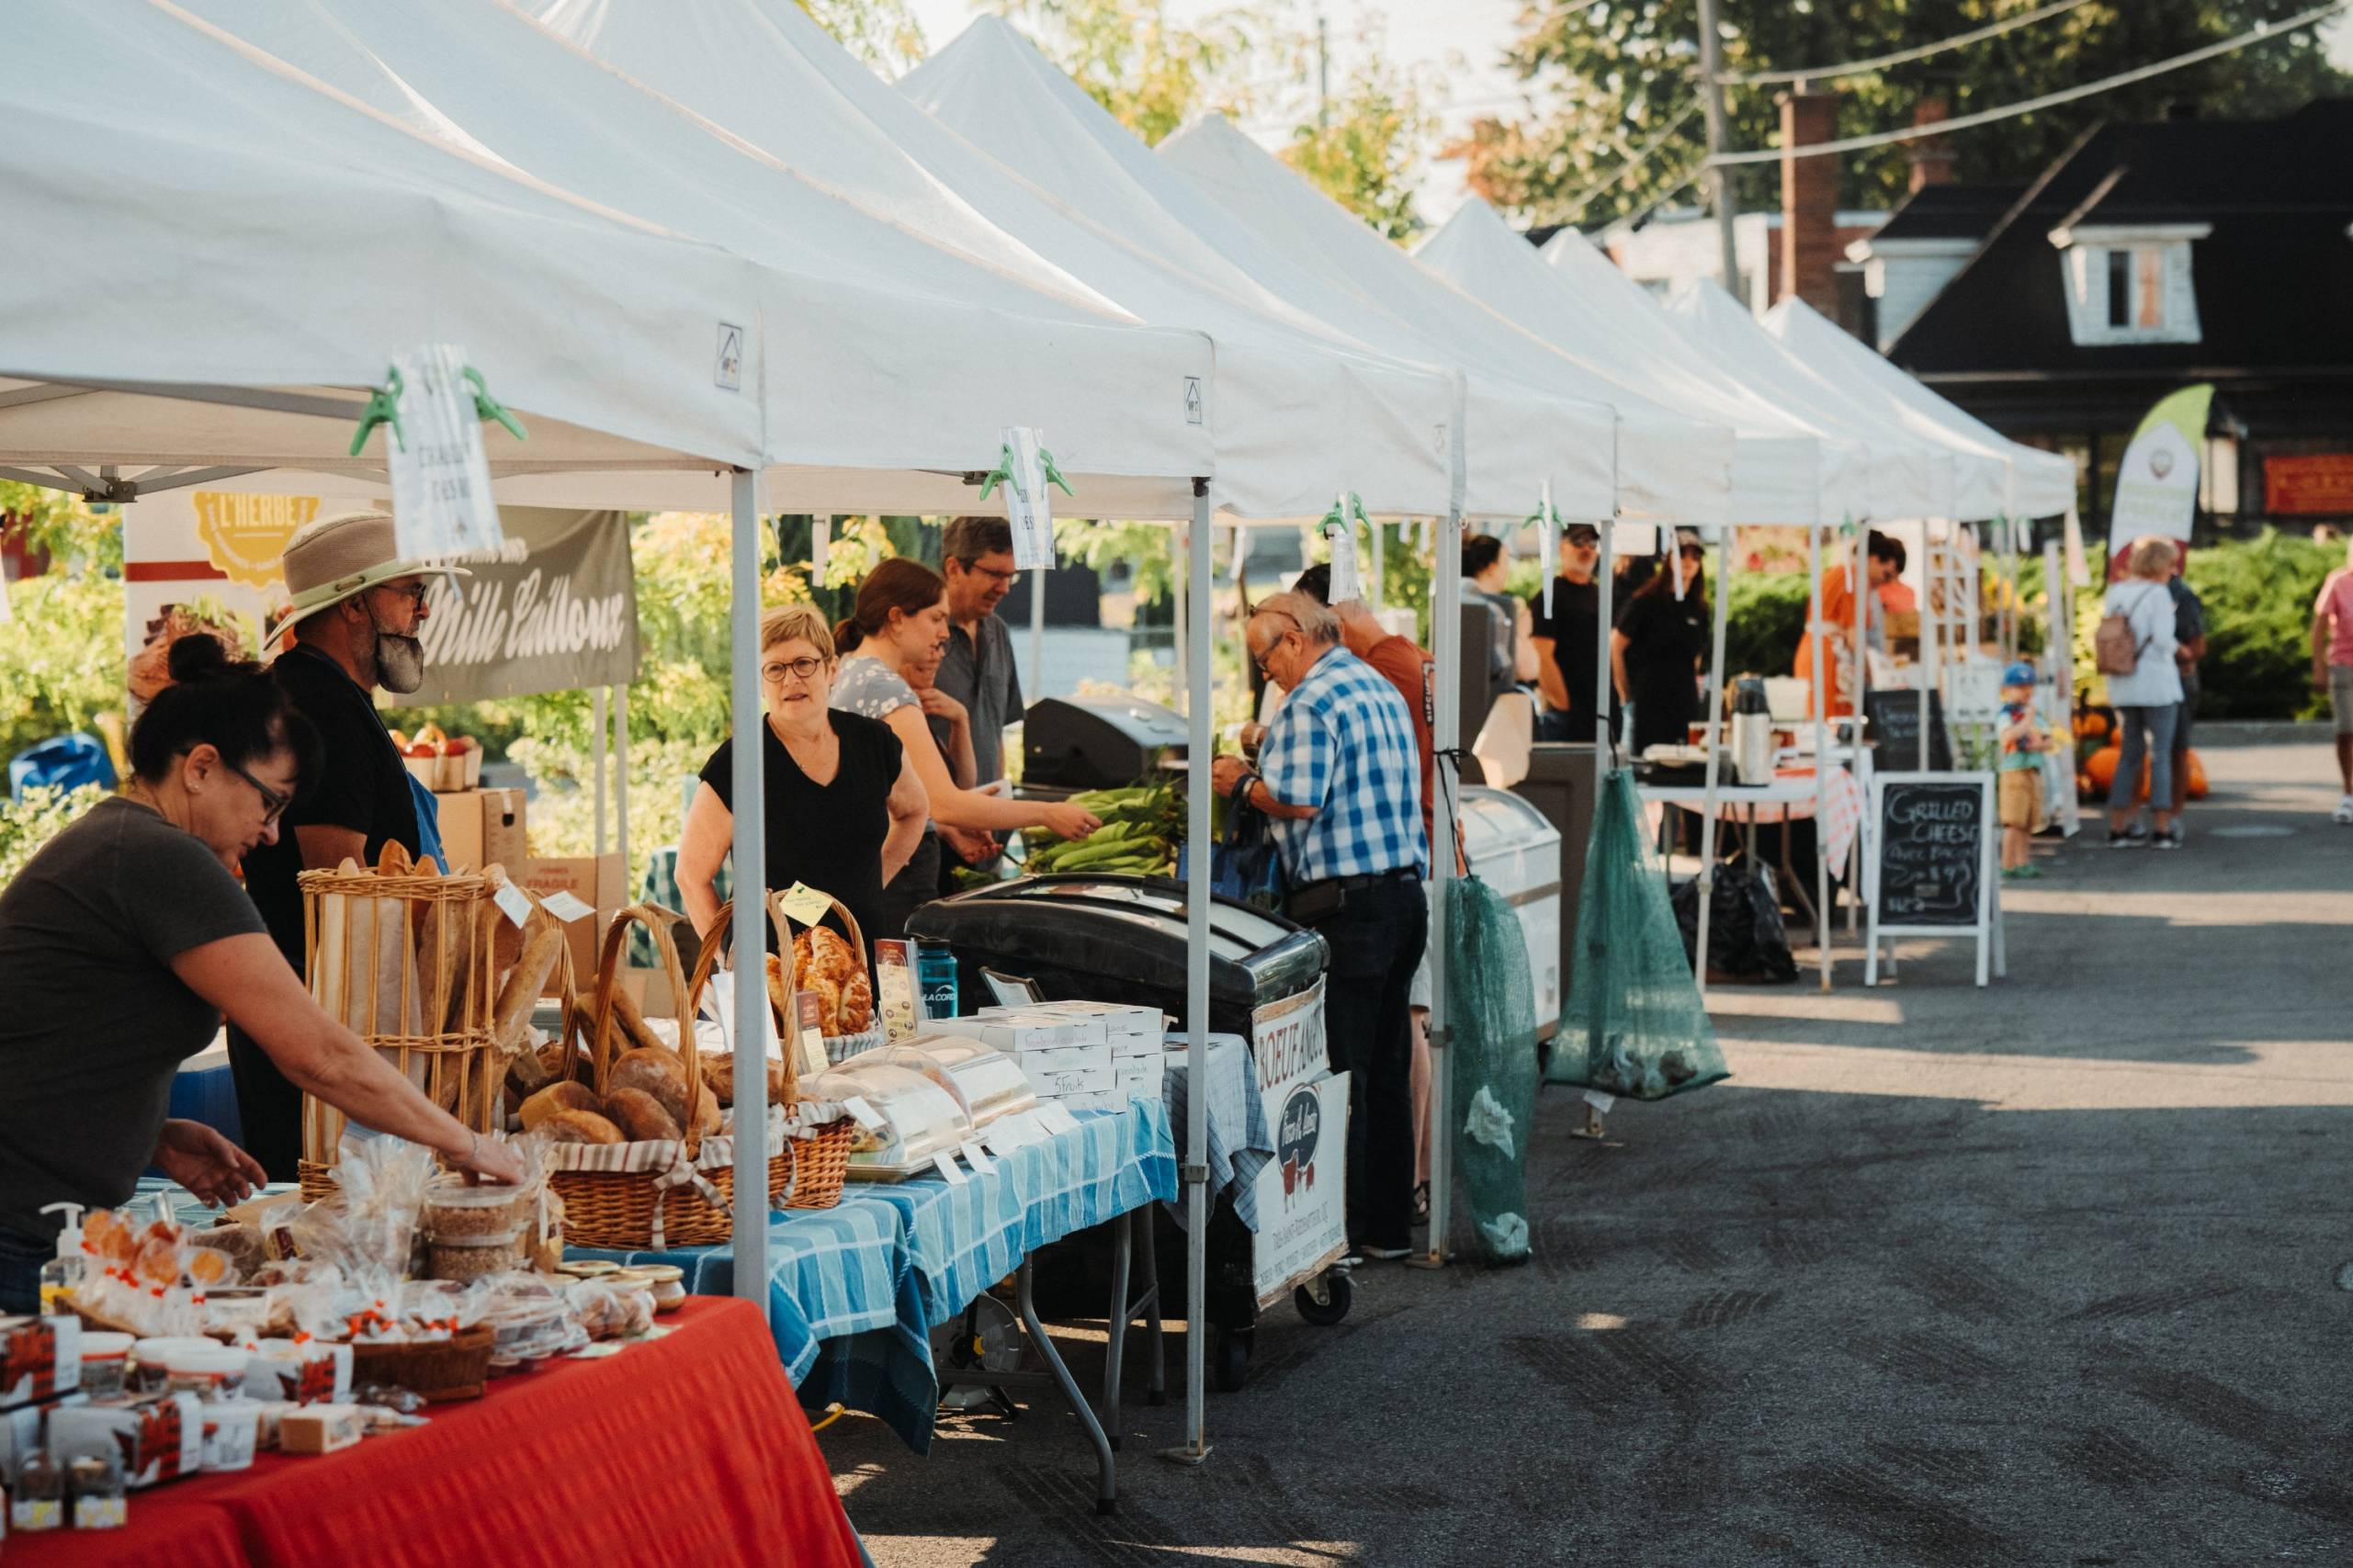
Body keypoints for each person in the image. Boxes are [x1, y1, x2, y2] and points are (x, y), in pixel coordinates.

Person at [0, 637, 523, 1313]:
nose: (273, 832)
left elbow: (60, 1036)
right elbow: (321, 1055)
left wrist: (152, 1134)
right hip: (18, 1231)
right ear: (201, 768)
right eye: (270, 803)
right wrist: (467, 1145)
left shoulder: (121, 841)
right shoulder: (165, 859)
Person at [235, 511, 463, 1182]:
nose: (423, 610)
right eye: (411, 591)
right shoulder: (320, 705)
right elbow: (341, 888)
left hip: (320, 1023)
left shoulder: (320, 692)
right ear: (355, 603)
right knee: (330, 1217)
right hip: (325, 1029)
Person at [1210, 592, 1427, 1261]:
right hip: (1402, 898)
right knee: (1386, 1068)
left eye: (1264, 657)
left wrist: (1239, 783)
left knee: (1340, 1072)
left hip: (1349, 908)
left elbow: (1299, 799)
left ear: (1295, 638)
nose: (1265, 672)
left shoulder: (1309, 701)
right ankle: (1388, 1227)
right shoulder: (1373, 684)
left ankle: (1344, 1230)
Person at [1289, 564, 1452, 1221]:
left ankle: (1383, 1200)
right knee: (1399, 1038)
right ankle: (1404, 1195)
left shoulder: (1380, 670)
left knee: (1381, 1047)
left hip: (1388, 873)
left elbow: (1325, 783)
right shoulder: (1412, 660)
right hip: (1416, 863)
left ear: (1328, 613)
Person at [831, 559, 1102, 934]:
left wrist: (942, 825)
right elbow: (944, 801)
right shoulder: (884, 688)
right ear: (896, 618)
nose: (944, 633)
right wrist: (1047, 813)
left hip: (871, 872)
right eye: (936, 618)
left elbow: (898, 799)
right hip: (895, 882)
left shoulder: (850, 670)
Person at [679, 604, 928, 959]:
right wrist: (733, 964)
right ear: (760, 682)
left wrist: (872, 885)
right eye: (775, 669)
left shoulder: (874, 743)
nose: (790, 679)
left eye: (803, 663)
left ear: (831, 669)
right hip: (775, 967)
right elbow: (691, 876)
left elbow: (914, 811)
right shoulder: (739, 762)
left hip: (860, 959)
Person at [932, 517, 1024, 885]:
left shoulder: (998, 631)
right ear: (954, 568)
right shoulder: (923, 636)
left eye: (1011, 576)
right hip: (934, 836)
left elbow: (996, 730)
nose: (1004, 587)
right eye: (994, 574)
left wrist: (998, 804)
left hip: (986, 836)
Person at [2102, 536, 2184, 849]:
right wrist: (2182, 649)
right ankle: (2161, 827)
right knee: (2161, 754)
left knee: (2129, 754)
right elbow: (2163, 640)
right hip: (2157, 684)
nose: (2174, 570)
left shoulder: (2116, 592)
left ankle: (2118, 825)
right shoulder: (2159, 594)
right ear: (2160, 564)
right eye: (2171, 563)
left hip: (2123, 681)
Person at [1612, 531, 1712, 756]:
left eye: (1695, 557)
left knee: (1682, 761)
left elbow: (1697, 653)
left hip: (1684, 703)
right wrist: (1625, 693)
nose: (1688, 562)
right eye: (1682, 555)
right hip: (1648, 702)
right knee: (1646, 762)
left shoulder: (1699, 608)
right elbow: (1616, 645)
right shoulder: (1645, 600)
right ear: (1669, 560)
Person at [1792, 529, 1906, 717]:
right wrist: (1876, 676)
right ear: (1873, 559)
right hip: (1828, 657)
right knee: (1832, 721)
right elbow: (1855, 640)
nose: (1883, 581)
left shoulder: (1839, 573)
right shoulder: (1855, 579)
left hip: (1813, 652)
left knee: (1815, 719)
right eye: (1885, 574)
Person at [1529, 523, 1609, 742]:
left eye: (1592, 543)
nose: (1587, 549)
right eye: (1579, 542)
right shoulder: (1550, 596)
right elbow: (1542, 654)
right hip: (1569, 716)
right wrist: (1564, 705)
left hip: (1599, 710)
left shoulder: (1599, 593)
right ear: (1563, 548)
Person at [1462, 534, 1541, 725]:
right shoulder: (1496, 611)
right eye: (1505, 560)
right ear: (1490, 566)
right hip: (1491, 717)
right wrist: (1521, 633)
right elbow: (1528, 669)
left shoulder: (1452, 599)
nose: (1508, 569)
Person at [2310, 537, 2353, 824]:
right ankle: (2348, 792)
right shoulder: (2338, 582)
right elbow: (2319, 626)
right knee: (2346, 729)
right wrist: (2319, 666)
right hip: (2343, 665)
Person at [1997, 661, 2049, 878]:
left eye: (2029, 687)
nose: (2025, 691)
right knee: (2013, 822)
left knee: (2028, 822)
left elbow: (2047, 740)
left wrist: (2039, 743)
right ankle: (2007, 864)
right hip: (2014, 772)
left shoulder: (2037, 715)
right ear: (2007, 690)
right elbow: (2007, 737)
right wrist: (2027, 720)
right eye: (2019, 687)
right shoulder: (2006, 715)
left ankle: (2023, 861)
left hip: (2032, 770)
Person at [2166, 550, 2208, 824]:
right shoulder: (2131, 592)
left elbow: (2198, 644)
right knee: (2140, 751)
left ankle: (2172, 816)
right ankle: (2154, 818)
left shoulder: (2182, 595)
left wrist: (2183, 656)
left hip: (2178, 679)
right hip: (2146, 682)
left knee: (2176, 749)